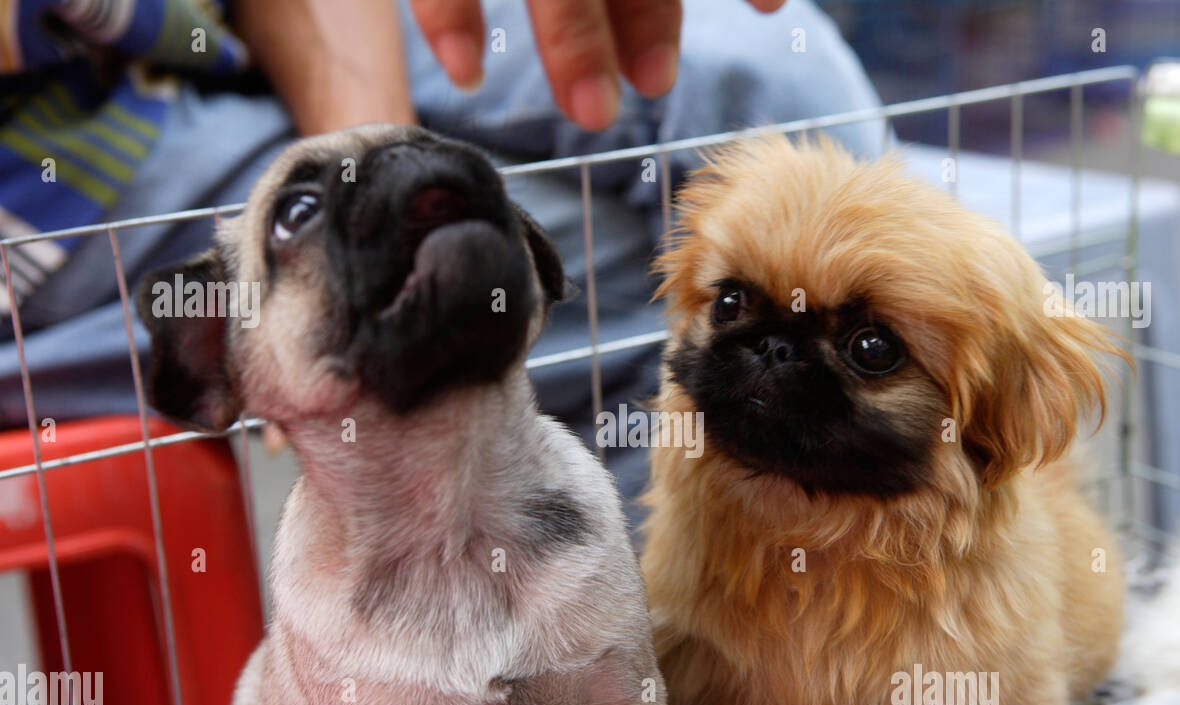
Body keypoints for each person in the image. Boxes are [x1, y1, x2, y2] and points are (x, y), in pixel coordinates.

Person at [0, 0, 889, 505]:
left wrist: (381, 165)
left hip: (190, 38)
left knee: (769, 76)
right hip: (50, 190)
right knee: (628, 312)